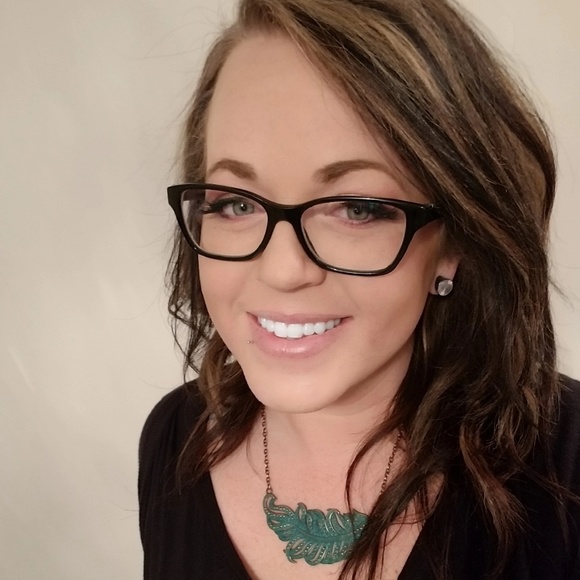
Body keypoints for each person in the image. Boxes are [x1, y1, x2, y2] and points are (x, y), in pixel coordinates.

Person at [138, 0, 580, 578]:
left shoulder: (568, 468)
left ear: (455, 240)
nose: (282, 270)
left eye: (357, 208)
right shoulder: (174, 437)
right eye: (235, 204)